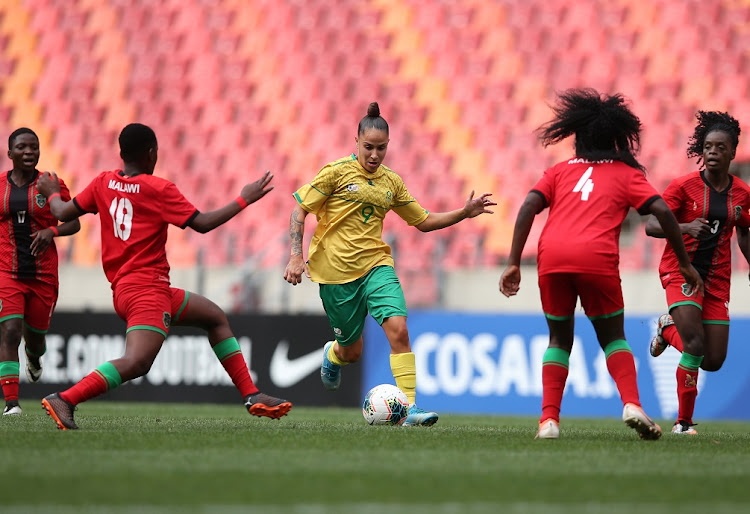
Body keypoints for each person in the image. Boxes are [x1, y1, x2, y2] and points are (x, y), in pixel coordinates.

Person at [35, 123, 291, 429]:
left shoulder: (103, 182)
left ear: (121, 153)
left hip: (130, 290)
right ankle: (66, 399)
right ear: (152, 154)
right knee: (137, 362)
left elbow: (62, 212)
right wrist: (243, 199)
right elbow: (203, 223)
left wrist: (51, 195)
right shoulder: (158, 189)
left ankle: (251, 395)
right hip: (148, 292)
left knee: (214, 317)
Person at [499, 89, 703, 440]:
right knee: (613, 338)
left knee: (559, 340)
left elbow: (528, 207)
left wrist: (514, 262)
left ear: (577, 139)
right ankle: (632, 405)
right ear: (615, 140)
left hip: (553, 259)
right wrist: (684, 263)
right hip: (596, 260)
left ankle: (549, 422)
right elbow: (662, 211)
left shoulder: (558, 171)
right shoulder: (626, 173)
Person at [283, 102, 495, 426]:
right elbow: (299, 210)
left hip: (376, 267)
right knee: (351, 352)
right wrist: (296, 256)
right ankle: (332, 355)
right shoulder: (335, 173)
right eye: (368, 147)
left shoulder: (391, 183)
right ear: (356, 142)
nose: (374, 155)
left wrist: (463, 213)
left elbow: (423, 220)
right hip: (335, 275)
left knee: (398, 328)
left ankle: (410, 408)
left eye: (381, 148)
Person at [646, 111, 750, 435]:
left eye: (720, 147)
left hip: (717, 279)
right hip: (682, 272)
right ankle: (683, 423)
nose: (713, 152)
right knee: (694, 343)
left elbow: (745, 230)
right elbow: (651, 224)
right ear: (700, 151)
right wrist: (684, 226)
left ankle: (666, 329)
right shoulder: (683, 187)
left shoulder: (743, 194)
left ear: (733, 151)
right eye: (707, 147)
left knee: (713, 360)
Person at [0, 128, 80, 416]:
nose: (29, 152)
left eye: (34, 147)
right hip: (7, 272)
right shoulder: (0, 187)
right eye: (22, 147)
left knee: (35, 338)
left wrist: (52, 230)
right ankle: (11, 404)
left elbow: (74, 223)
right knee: (10, 332)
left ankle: (34, 359)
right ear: (10, 154)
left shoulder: (51, 184)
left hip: (43, 275)